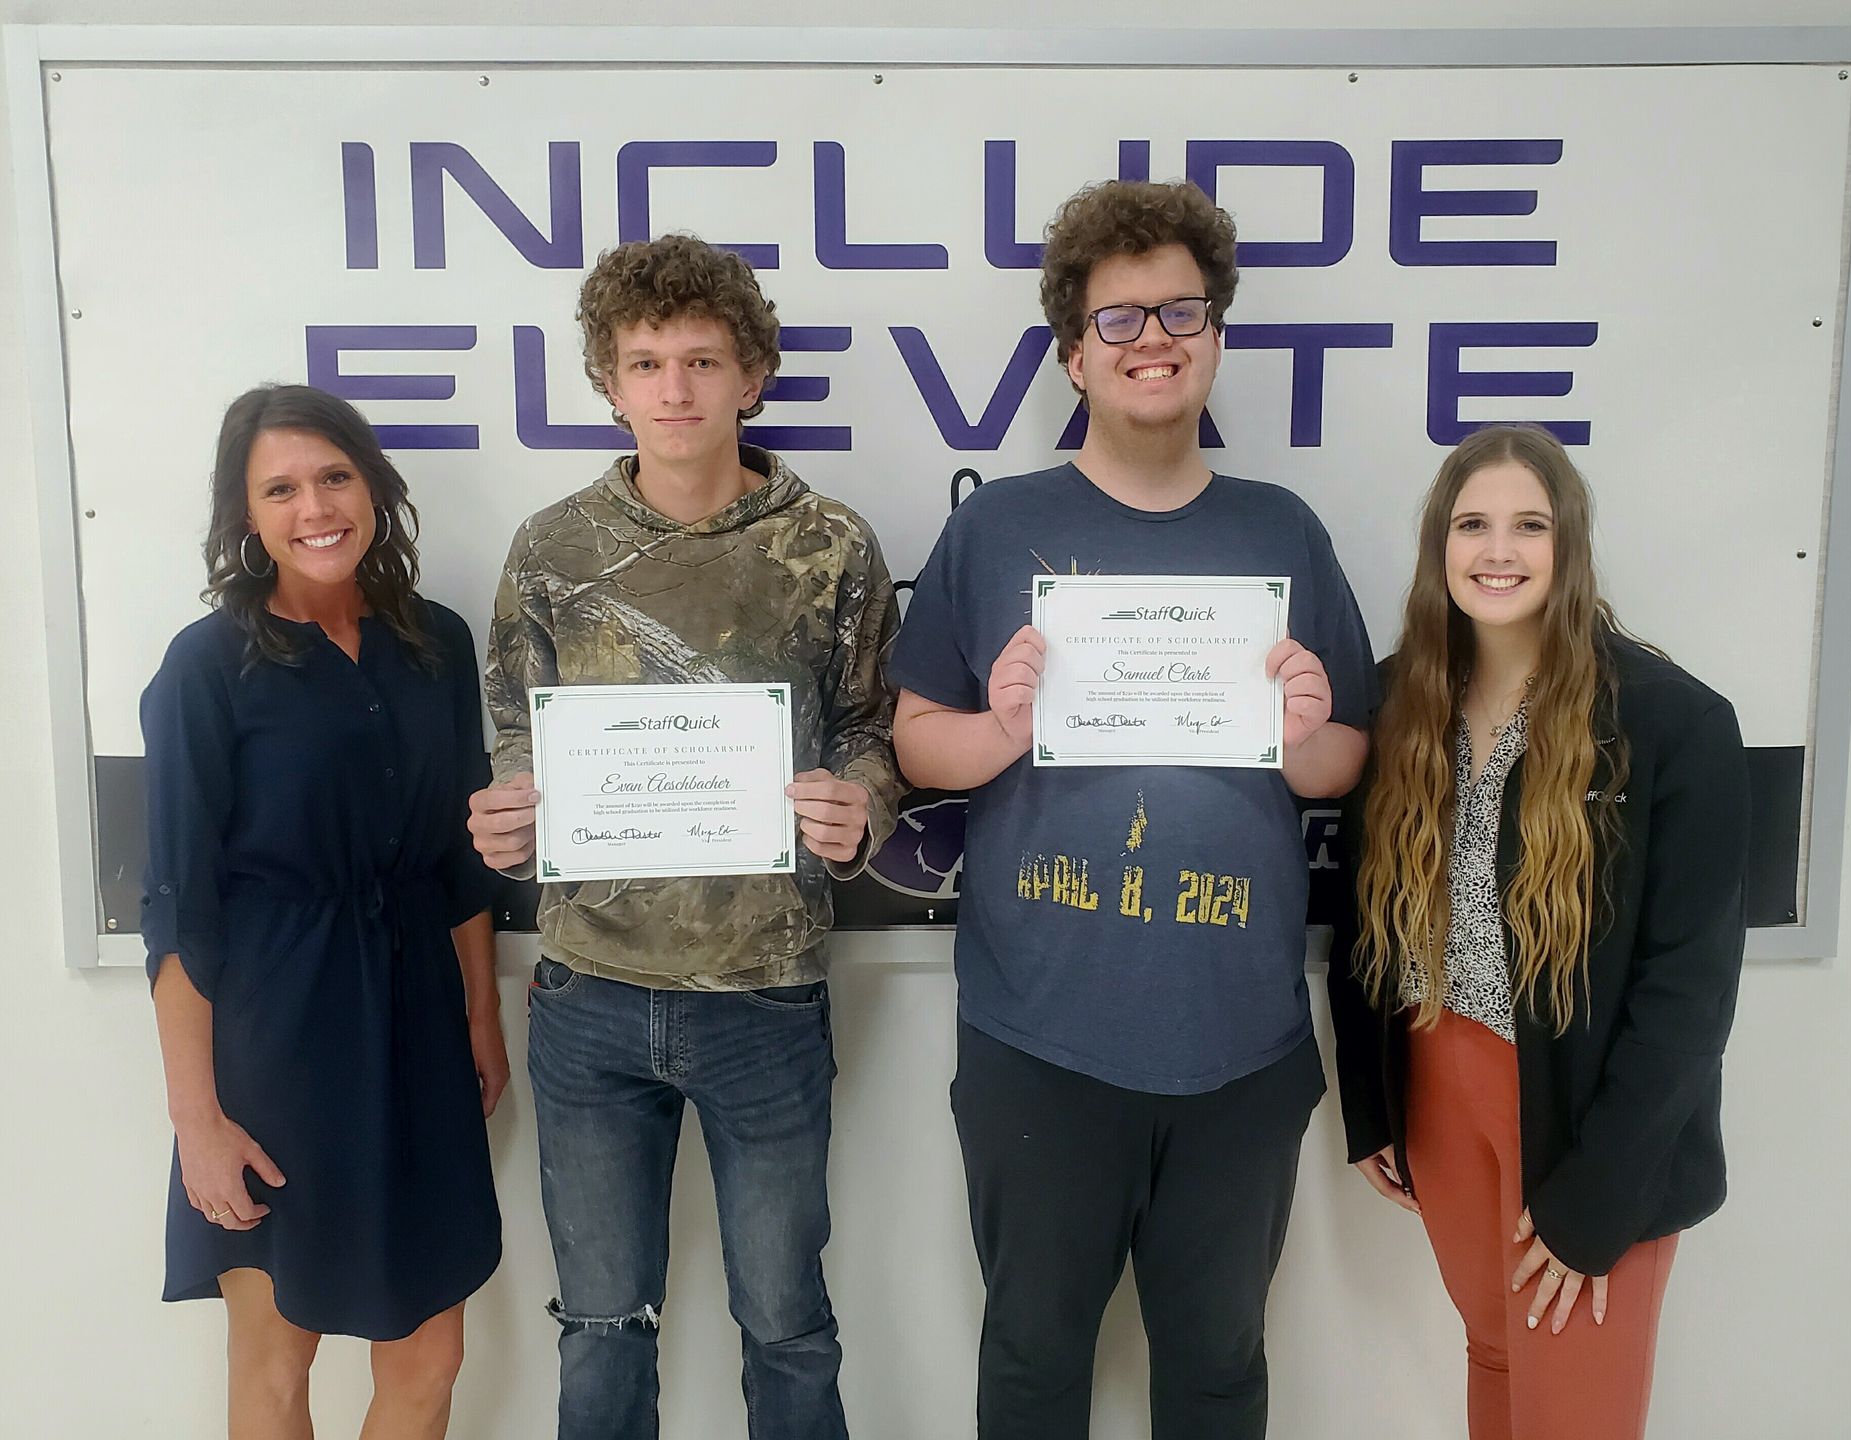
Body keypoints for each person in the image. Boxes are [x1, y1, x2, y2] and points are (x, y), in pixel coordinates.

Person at [889, 179, 1376, 1440]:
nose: (1153, 338)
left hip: (1241, 1043)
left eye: (1181, 311)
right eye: (1118, 319)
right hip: (1040, 1042)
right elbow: (914, 743)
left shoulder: (1283, 532)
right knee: (1035, 1365)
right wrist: (998, 730)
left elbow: (1343, 768)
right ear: (1071, 352)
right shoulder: (999, 527)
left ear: (1216, 336)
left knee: (1218, 1377)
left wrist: (1309, 732)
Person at [466, 234, 903, 1440]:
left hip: (765, 994)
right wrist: (512, 812)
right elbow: (518, 732)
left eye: (703, 360)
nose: (675, 390)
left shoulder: (830, 546)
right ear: (609, 380)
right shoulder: (552, 551)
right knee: (600, 1329)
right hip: (590, 992)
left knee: (788, 1326)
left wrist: (859, 803)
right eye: (646, 362)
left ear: (751, 375)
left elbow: (872, 728)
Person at [1326, 423, 1750, 1440]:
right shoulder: (1400, 699)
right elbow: (1358, 914)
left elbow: (1689, 992)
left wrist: (1600, 1197)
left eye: (1530, 525)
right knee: (1496, 1358)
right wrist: (1373, 1103)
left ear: (1571, 547)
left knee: (1575, 1414)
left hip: (1592, 1116)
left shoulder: (1670, 721)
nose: (1499, 551)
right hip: (1440, 1082)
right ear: (1440, 549)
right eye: (1473, 525)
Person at [141, 384, 505, 1440]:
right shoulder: (206, 669)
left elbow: (456, 859)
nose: (316, 508)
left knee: (432, 1356)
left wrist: (482, 1017)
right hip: (276, 1043)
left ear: (373, 486)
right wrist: (197, 1121)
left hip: (420, 1028)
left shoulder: (434, 643)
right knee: (275, 1362)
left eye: (335, 476)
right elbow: (179, 910)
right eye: (282, 489)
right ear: (246, 517)